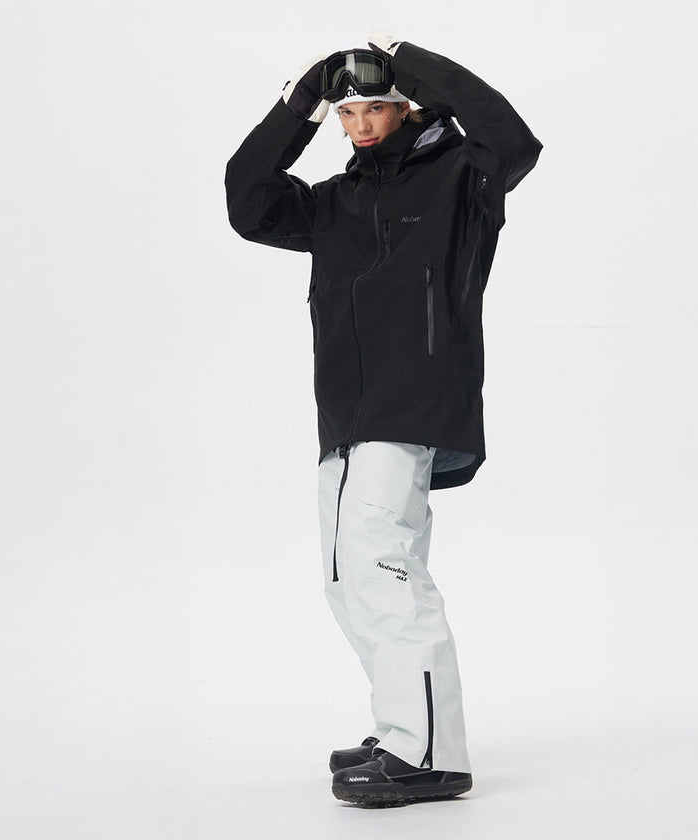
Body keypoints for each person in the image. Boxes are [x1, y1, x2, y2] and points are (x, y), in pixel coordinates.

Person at [225, 33, 541, 807]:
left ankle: (428, 750)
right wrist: (301, 99)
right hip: (345, 411)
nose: (359, 125)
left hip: (412, 400)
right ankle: (405, 721)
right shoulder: (335, 201)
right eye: (347, 113)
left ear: (407, 105)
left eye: (374, 107)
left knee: (381, 567)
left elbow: (512, 139)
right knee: (348, 578)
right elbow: (248, 199)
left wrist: (408, 58)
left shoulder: (462, 178)